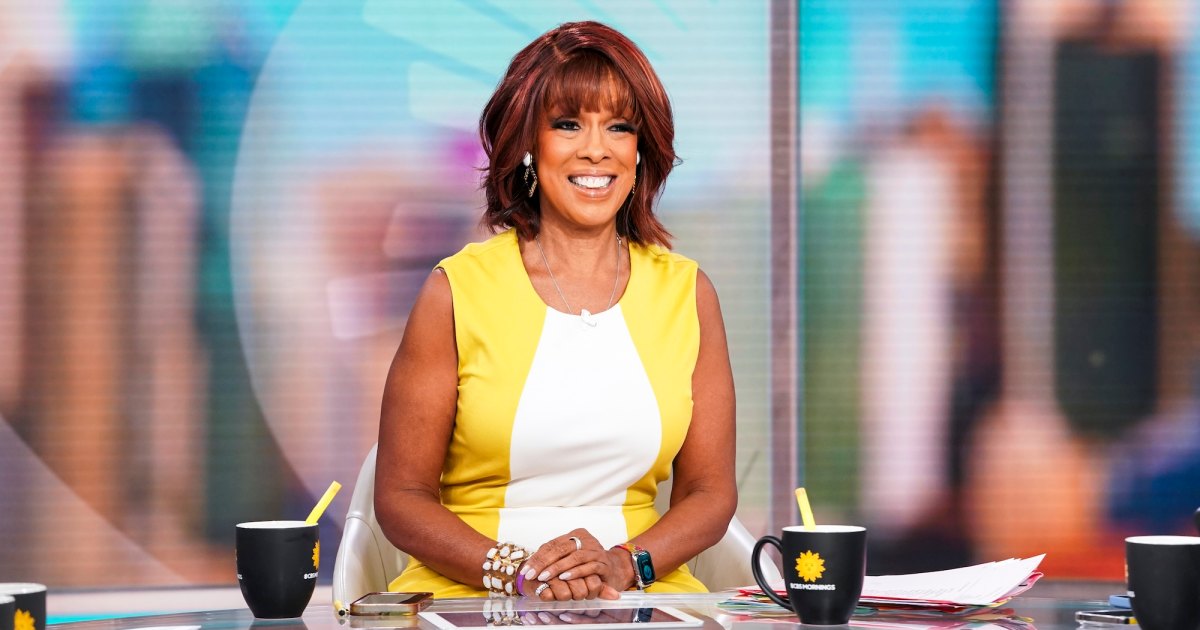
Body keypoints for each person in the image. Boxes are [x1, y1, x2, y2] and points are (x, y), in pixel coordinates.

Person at [374, 20, 737, 601]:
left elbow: (710, 494)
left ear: (640, 150)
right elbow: (400, 498)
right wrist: (519, 574)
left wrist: (623, 565)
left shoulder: (688, 293)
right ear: (527, 143)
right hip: (477, 590)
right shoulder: (455, 290)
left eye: (619, 126)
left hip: (636, 591)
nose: (596, 148)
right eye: (568, 124)